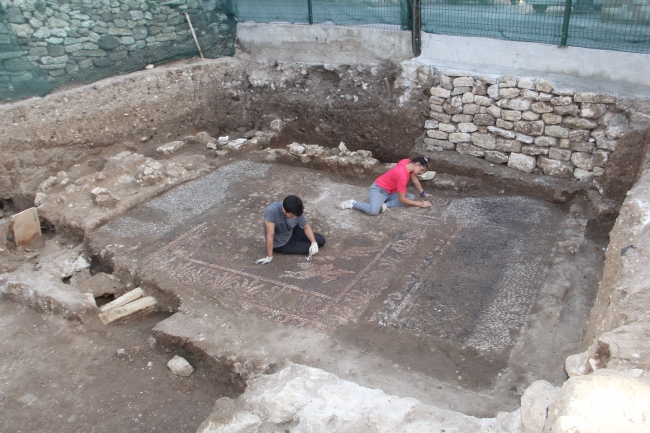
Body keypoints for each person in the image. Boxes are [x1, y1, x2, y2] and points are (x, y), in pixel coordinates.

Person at [340, 156, 432, 215]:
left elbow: (414, 178)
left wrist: (422, 193)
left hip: (390, 192)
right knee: (373, 211)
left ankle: (385, 205)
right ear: (417, 164)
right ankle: (353, 203)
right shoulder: (402, 175)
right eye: (421, 170)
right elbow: (402, 199)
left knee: (411, 197)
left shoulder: (406, 162)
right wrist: (420, 204)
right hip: (378, 190)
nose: (421, 172)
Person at [255, 195, 326, 265]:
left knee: (321, 241)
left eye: (296, 216)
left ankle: (303, 241)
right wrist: (269, 257)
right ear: (284, 210)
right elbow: (270, 235)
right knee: (310, 249)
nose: (295, 217)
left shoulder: (295, 210)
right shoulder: (272, 211)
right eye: (292, 216)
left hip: (292, 230)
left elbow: (306, 226)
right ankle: (294, 243)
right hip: (281, 242)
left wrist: (313, 243)